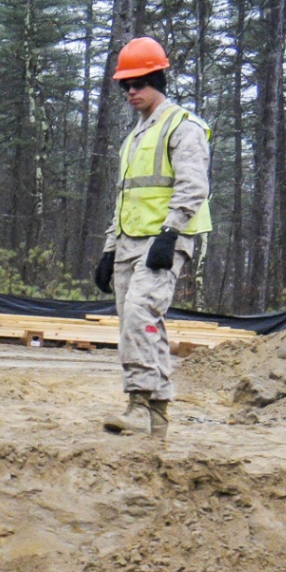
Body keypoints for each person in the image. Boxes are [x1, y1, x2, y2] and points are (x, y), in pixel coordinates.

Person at [92, 36, 212, 440]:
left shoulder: (183, 127)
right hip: (129, 241)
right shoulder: (134, 137)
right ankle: (157, 414)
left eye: (138, 83)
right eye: (125, 85)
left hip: (162, 239)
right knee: (139, 324)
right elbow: (124, 196)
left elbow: (193, 186)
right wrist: (110, 249)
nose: (130, 91)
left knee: (141, 315)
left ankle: (139, 405)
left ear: (158, 79)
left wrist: (171, 232)